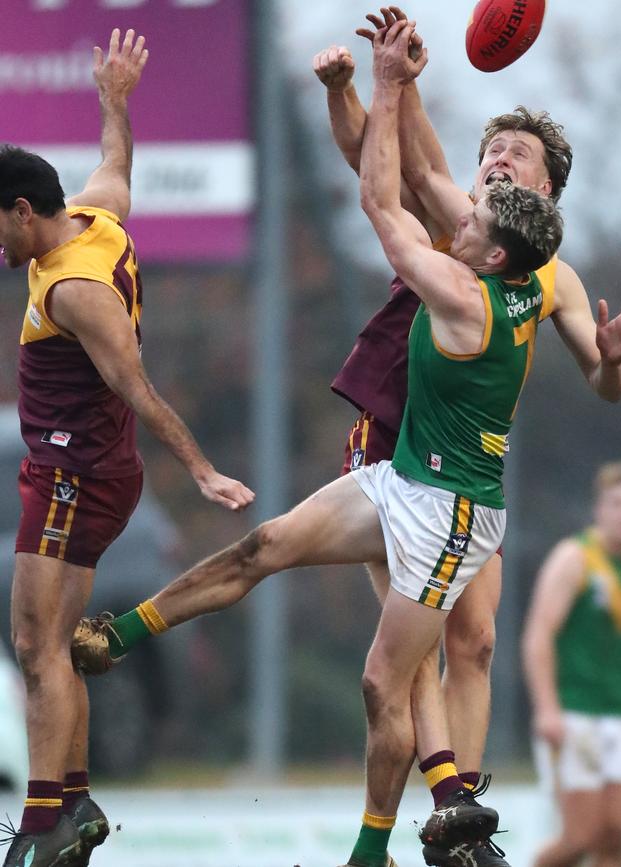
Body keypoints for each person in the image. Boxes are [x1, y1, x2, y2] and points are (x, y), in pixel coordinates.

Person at [71, 21, 573, 867]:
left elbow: (387, 197)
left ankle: (403, 837)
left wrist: (385, 81)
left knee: (398, 675)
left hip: (451, 511)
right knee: (265, 546)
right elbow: (410, 172)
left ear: (494, 248)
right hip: (405, 470)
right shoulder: (514, 264)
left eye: (482, 203)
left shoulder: (465, 291)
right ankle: (122, 634)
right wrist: (374, 91)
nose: (463, 202)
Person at [313, 6, 621, 864]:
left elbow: (609, 388)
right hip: (393, 438)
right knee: (413, 647)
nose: (496, 158)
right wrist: (389, 81)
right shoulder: (461, 216)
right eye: (491, 147)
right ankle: (450, 810)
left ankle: (448, 802)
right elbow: (385, 155)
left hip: (468, 474)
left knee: (479, 639)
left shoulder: (559, 278)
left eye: (518, 153)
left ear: (547, 188)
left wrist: (612, 361)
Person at [0, 29, 254, 867]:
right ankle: (71, 808)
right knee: (53, 644)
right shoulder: (98, 216)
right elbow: (117, 162)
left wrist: (204, 470)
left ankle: (45, 823)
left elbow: (136, 386)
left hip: (76, 473)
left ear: (25, 212)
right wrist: (117, 99)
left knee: (36, 645)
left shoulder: (75, 287)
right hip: (74, 468)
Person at [523, 462, 621, 867]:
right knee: (580, 838)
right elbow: (538, 635)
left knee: (615, 835)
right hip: (575, 713)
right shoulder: (575, 557)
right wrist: (546, 708)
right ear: (598, 509)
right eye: (617, 504)